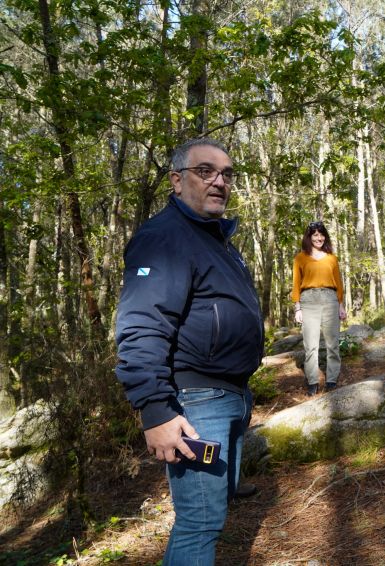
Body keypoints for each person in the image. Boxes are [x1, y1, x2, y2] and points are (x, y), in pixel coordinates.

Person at [115, 138, 264, 565]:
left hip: (230, 394)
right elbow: (142, 325)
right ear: (177, 180)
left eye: (226, 174)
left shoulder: (214, 238)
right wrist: (156, 411)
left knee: (212, 513)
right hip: (197, 403)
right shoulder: (164, 237)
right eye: (205, 171)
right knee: (198, 522)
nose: (219, 182)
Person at [291, 221, 347, 396]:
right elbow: (295, 284)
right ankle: (313, 381)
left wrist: (341, 305)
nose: (319, 238)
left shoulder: (332, 258)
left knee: (332, 343)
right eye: (315, 235)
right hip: (308, 301)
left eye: (321, 234)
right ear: (309, 237)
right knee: (311, 345)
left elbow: (338, 283)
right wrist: (297, 308)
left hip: (330, 299)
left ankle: (331, 380)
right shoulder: (300, 258)